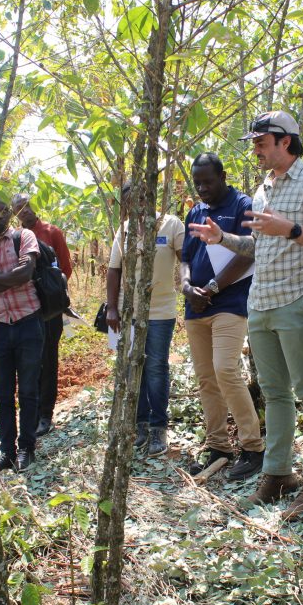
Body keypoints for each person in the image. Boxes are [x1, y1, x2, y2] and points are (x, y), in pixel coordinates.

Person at [189, 111, 303, 519]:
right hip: (262, 302)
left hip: (297, 298)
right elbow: (259, 246)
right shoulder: (264, 187)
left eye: (260, 141)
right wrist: (224, 238)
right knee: (274, 393)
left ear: (285, 141)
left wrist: (289, 228)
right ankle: (277, 473)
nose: (254, 149)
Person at [180, 153, 264, 480]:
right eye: (197, 182)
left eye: (208, 181)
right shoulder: (196, 212)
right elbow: (185, 257)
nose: (202, 188)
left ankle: (253, 447)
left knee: (225, 369)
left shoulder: (242, 204)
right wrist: (187, 286)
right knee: (206, 378)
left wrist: (213, 288)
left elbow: (249, 252)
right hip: (195, 306)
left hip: (229, 302)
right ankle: (218, 447)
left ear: (223, 176)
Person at [106, 182, 185, 456]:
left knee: (156, 367)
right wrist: (112, 308)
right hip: (130, 311)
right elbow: (114, 270)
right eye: (129, 202)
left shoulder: (171, 224)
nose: (135, 206)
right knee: (132, 367)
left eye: (140, 199)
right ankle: (139, 424)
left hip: (162, 310)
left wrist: (190, 286)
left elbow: (185, 260)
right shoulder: (124, 229)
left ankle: (158, 428)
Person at [0, 196, 44, 472]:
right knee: (3, 394)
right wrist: (9, 278)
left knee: (28, 390)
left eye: (2, 209)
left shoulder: (24, 236)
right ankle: (7, 451)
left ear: (9, 213)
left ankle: (27, 447)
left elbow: (26, 273)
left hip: (28, 322)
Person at [11, 193, 73, 438]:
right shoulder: (14, 237)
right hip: (25, 308)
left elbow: (66, 267)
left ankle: (45, 413)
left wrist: (53, 292)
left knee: (48, 359)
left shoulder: (51, 231)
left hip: (49, 309)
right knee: (29, 361)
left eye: (26, 206)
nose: (23, 211)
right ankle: (33, 411)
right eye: (18, 208)